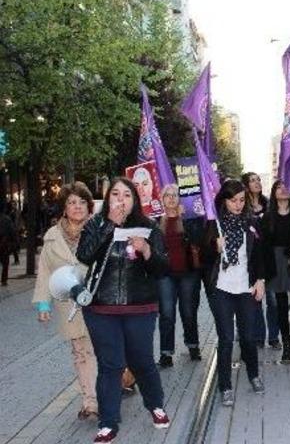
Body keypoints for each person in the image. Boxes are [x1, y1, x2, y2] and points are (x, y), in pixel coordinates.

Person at [76, 177, 170, 443]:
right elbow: (84, 255)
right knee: (111, 364)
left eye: (126, 195)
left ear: (134, 200)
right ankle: (108, 423)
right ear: (108, 199)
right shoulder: (95, 224)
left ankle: (156, 405)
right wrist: (109, 225)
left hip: (140, 306)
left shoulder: (149, 227)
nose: (120, 200)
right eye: (115, 194)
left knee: (141, 361)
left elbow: (163, 269)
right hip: (101, 307)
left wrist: (147, 250)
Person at [32, 182, 98, 420]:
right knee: (81, 352)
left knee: (101, 350)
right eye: (71, 202)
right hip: (69, 304)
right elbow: (45, 272)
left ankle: (113, 386)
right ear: (64, 208)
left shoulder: (99, 230)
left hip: (98, 300)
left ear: (89, 206)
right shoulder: (52, 237)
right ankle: (90, 402)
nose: (77, 206)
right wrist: (43, 304)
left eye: (82, 202)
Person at [202, 179, 266, 407]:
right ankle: (225, 386)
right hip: (222, 288)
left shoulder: (251, 223)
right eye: (233, 201)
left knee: (248, 337)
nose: (238, 205)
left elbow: (260, 254)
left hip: (246, 287)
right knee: (226, 338)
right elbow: (202, 258)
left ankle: (253, 374)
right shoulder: (214, 224)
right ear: (224, 201)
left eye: (241, 200)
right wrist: (214, 247)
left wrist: (260, 280)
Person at [156, 184, 204, 367]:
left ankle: (193, 345)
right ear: (162, 199)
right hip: (165, 274)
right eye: (167, 195)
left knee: (188, 312)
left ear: (180, 198)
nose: (171, 198)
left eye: (175, 195)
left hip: (188, 273)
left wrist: (185, 218)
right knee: (167, 313)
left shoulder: (189, 218)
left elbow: (198, 240)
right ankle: (166, 353)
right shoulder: (156, 221)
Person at [261, 179, 290, 363]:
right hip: (276, 263)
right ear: (273, 192)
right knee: (280, 307)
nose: (283, 189)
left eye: (286, 186)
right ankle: (286, 344)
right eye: (278, 187)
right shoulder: (267, 216)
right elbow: (264, 244)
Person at [241, 172, 277, 349]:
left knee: (273, 301)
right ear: (246, 185)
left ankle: (274, 337)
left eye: (258, 180)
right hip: (253, 260)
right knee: (255, 300)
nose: (257, 183)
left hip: (269, 257)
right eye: (252, 180)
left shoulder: (269, 205)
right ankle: (259, 337)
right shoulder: (243, 208)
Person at [0, 209, 15, 286]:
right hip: (4, 243)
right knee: (5, 262)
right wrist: (13, 241)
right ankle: (4, 280)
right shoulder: (7, 219)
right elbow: (12, 231)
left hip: (4, 241)